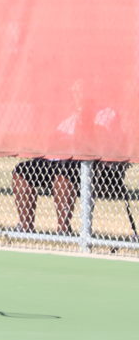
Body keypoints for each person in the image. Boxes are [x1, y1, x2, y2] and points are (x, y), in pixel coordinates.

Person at [12, 81, 128, 234]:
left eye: (80, 90)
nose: (76, 94)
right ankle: (25, 227)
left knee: (64, 172)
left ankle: (63, 229)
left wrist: (77, 133)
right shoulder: (69, 114)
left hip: (91, 167)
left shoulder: (107, 113)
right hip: (57, 160)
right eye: (74, 91)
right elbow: (55, 140)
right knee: (21, 170)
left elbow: (97, 141)